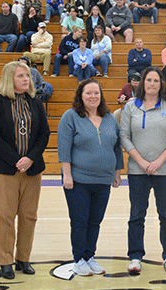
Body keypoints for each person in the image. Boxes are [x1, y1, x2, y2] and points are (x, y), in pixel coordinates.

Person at [0, 61, 50, 279]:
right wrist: (16, 159)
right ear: (9, 78)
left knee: (29, 216)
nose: (25, 79)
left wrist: (30, 158)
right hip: (3, 169)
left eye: (27, 76)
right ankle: (5, 261)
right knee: (5, 216)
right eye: (20, 76)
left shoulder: (35, 102)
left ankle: (23, 258)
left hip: (31, 169)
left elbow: (44, 134)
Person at [58, 79, 122, 276]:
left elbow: (116, 147)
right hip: (78, 181)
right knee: (80, 221)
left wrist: (118, 171)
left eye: (96, 93)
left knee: (95, 221)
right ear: (81, 95)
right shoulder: (70, 117)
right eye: (88, 93)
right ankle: (79, 259)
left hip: (103, 180)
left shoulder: (109, 118)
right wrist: (67, 174)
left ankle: (89, 256)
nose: (93, 96)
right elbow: (64, 147)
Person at [120, 67, 166, 273]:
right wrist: (143, 163)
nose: (152, 84)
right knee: (137, 214)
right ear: (142, 83)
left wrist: (158, 162)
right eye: (149, 80)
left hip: (164, 171)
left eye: (156, 80)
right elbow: (125, 137)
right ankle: (135, 256)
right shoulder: (131, 107)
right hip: (138, 171)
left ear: (161, 83)